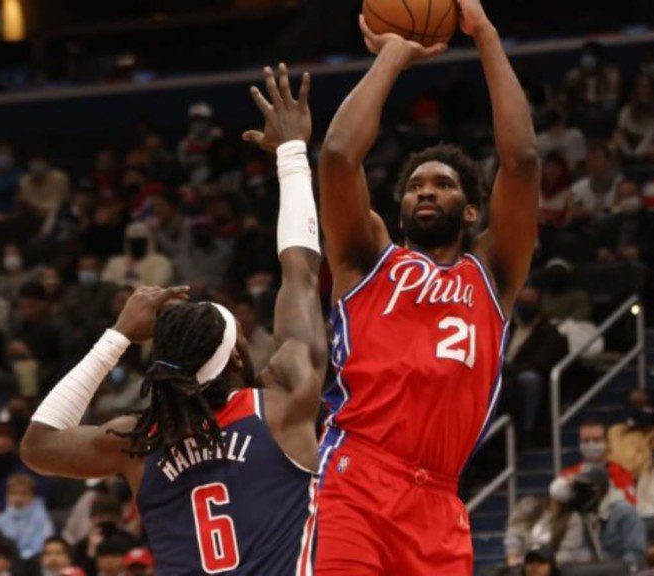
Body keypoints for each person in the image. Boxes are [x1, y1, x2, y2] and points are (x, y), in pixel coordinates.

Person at [22, 67, 327, 575]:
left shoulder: (137, 442)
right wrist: (292, 155)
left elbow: (38, 443)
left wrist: (116, 336)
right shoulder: (283, 406)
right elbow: (300, 274)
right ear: (235, 353)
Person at [316, 2, 538, 570]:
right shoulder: (367, 259)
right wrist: (393, 55)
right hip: (355, 480)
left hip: (440, 501)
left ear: (470, 211)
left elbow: (522, 160)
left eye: (442, 183)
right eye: (415, 185)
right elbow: (339, 157)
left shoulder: (492, 273)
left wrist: (484, 31)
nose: (425, 191)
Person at [501, 287, 569, 437]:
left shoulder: (549, 332)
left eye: (529, 303)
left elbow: (541, 363)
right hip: (503, 375)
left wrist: (510, 369)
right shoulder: (507, 328)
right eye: (521, 302)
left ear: (538, 305)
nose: (524, 307)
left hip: (526, 378)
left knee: (530, 379)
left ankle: (526, 431)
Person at [570, 465, 647, 567]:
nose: (581, 492)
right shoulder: (585, 513)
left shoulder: (625, 511)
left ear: (599, 490)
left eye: (584, 488)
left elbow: (637, 554)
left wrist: (611, 570)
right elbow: (583, 549)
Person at [505, 477, 589, 565]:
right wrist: (513, 555)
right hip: (524, 563)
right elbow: (515, 531)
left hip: (552, 567)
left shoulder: (573, 519)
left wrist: (543, 564)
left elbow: (568, 552)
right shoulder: (530, 505)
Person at [561, 418, 636, 504]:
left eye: (596, 440)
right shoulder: (568, 474)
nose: (591, 445)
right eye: (585, 440)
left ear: (607, 443)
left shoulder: (621, 473)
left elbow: (630, 506)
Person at [71, 495, 138, 575]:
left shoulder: (129, 541)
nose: (105, 522)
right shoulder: (82, 545)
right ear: (91, 519)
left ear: (118, 518)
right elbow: (79, 572)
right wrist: (91, 552)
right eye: (100, 517)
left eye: (110, 517)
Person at [0, 474, 54, 561]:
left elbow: (42, 545)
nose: (18, 498)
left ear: (32, 496)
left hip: (33, 563)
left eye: (23, 494)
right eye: (13, 493)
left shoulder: (42, 518)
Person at [101, 222, 174, 289]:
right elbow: (106, 284)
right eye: (133, 241)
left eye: (140, 241)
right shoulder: (115, 262)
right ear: (127, 242)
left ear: (148, 241)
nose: (137, 244)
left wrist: (132, 288)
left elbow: (157, 287)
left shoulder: (160, 262)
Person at [608, 388, 654, 477]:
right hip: (617, 481)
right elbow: (609, 460)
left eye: (643, 405)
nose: (638, 410)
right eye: (634, 405)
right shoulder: (615, 431)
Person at [564, 41, 622, 113]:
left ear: (600, 58)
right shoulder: (573, 76)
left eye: (592, 55)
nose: (588, 59)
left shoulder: (611, 75)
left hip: (605, 114)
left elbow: (613, 101)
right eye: (585, 55)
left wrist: (594, 102)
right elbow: (567, 100)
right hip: (580, 115)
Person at [570, 143, 622, 221]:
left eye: (596, 158)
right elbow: (575, 210)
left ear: (607, 160)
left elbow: (619, 209)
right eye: (588, 160)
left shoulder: (621, 184)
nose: (592, 163)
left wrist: (594, 213)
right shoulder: (577, 187)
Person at [18, 153, 71, 220]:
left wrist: (31, 205)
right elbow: (24, 205)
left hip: (56, 217)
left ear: (48, 164)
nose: (36, 165)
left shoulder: (59, 178)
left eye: (39, 162)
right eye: (34, 162)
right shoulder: (24, 180)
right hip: (31, 218)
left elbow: (54, 207)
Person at [614, 74, 654, 151]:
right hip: (628, 149)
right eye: (640, 86)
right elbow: (620, 132)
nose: (642, 90)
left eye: (646, 86)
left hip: (651, 149)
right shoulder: (626, 110)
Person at [231, 294, 275, 368]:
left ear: (255, 314)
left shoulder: (270, 342)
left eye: (247, 313)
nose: (244, 319)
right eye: (239, 314)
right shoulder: (230, 343)